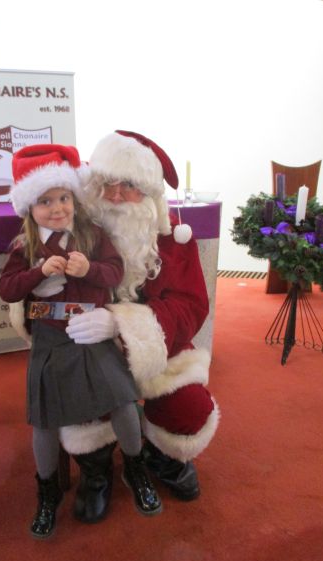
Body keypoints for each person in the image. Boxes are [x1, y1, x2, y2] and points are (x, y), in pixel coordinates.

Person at [0, 144, 162, 540]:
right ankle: (47, 491)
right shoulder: (25, 247)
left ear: (74, 199)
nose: (57, 208)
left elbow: (114, 272)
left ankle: (135, 468)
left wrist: (89, 268)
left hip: (93, 334)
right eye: (45, 201)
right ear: (29, 208)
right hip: (51, 340)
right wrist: (37, 274)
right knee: (44, 421)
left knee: (123, 400)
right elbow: (6, 289)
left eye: (63, 198)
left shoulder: (92, 234)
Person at [62, 130, 220, 524]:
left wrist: (123, 325)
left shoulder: (173, 238)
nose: (116, 196)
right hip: (91, 350)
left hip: (158, 347)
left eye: (129, 185)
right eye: (107, 183)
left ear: (148, 193)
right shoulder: (73, 233)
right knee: (81, 396)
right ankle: (97, 468)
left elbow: (191, 306)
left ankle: (159, 454)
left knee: (189, 408)